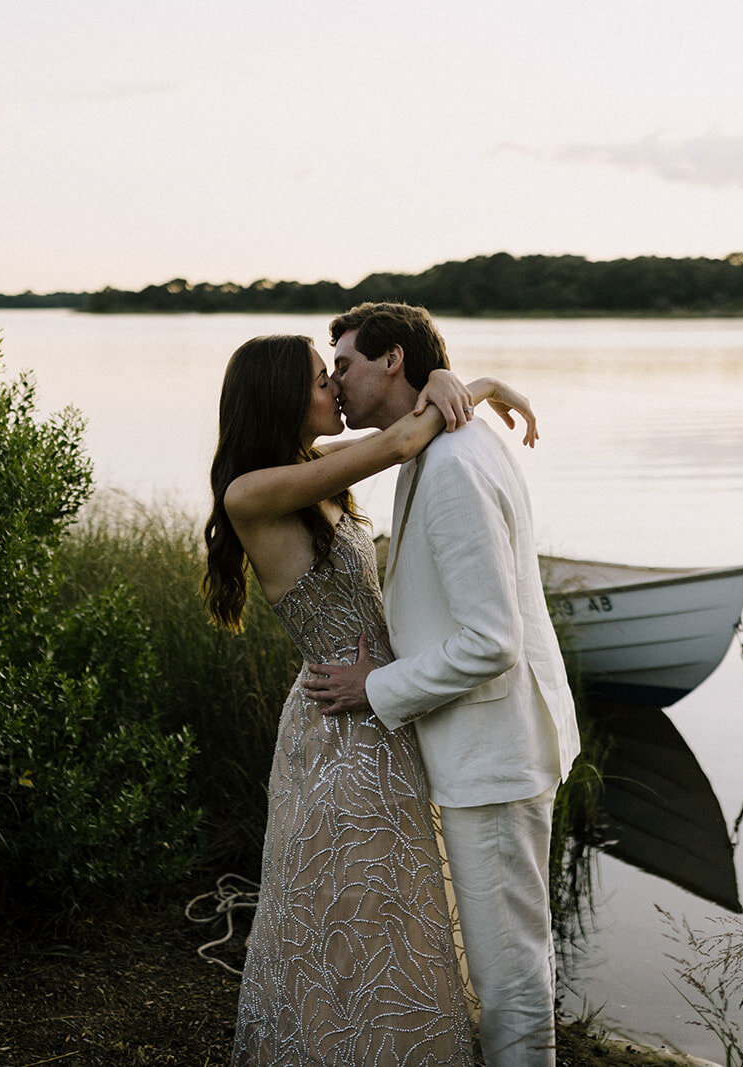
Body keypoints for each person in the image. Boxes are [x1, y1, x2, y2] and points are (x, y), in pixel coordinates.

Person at [203, 332, 537, 1066]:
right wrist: (474, 383)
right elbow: (401, 442)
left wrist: (445, 375)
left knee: (394, 913)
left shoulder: (310, 471)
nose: (334, 391)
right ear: (281, 396)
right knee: (352, 913)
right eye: (322, 380)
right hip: (340, 731)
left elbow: (401, 436)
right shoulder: (253, 491)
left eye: (334, 374)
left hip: (378, 712)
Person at [303, 303, 582, 1067]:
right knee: (513, 953)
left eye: (348, 365)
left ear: (393, 361)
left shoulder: (455, 464)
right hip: (495, 744)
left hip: (495, 753)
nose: (337, 381)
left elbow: (491, 640)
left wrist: (378, 685)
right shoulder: (443, 440)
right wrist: (470, 379)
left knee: (508, 972)